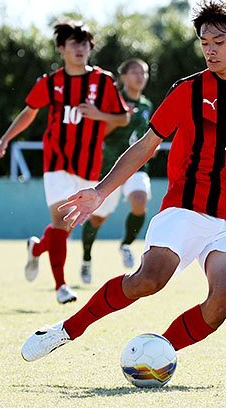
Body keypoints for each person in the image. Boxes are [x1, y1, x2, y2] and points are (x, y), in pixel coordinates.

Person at [20, 0, 226, 363]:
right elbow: (146, 146)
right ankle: (65, 330)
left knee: (225, 297)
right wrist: (100, 191)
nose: (209, 50)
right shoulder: (189, 90)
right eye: (204, 42)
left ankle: (157, 352)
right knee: (149, 279)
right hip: (185, 208)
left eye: (218, 42)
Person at [0, 21, 130, 304]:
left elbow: (123, 117)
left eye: (84, 43)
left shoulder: (102, 81)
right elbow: (29, 112)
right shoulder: (51, 82)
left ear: (90, 47)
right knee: (59, 220)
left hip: (88, 166)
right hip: (55, 161)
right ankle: (61, 287)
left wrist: (98, 115)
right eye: (73, 43)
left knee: (65, 227)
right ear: (61, 49)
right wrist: (6, 138)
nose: (79, 49)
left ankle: (37, 248)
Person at [80, 58, 154, 283]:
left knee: (140, 200)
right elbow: (98, 134)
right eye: (134, 72)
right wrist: (119, 118)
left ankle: (126, 244)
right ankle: (86, 259)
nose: (140, 76)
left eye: (144, 72)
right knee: (97, 219)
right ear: (123, 77)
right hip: (110, 168)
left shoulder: (146, 105)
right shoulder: (113, 101)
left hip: (137, 167)